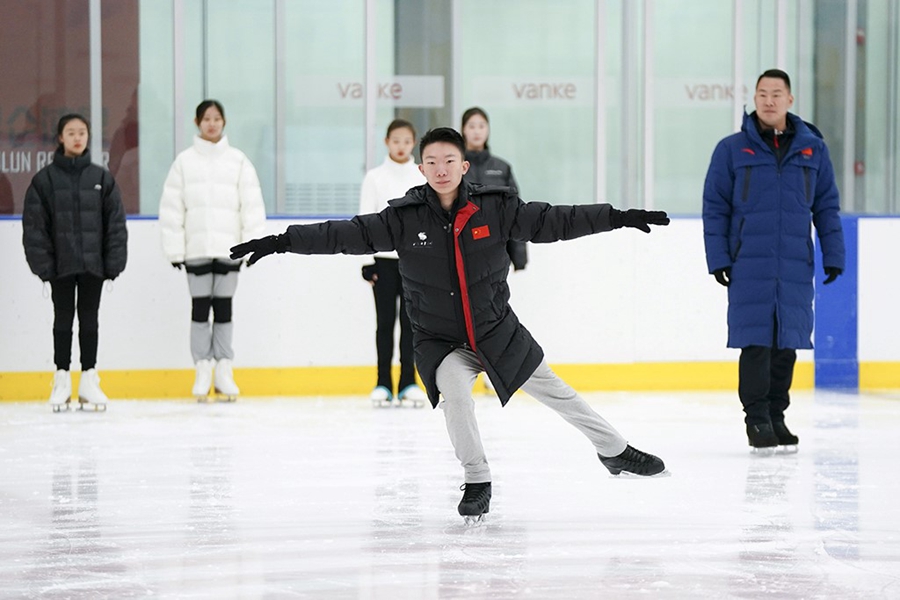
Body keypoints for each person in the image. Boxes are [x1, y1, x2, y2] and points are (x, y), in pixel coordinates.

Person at [231, 127, 670, 523]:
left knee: (559, 392)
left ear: (464, 165)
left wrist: (619, 216)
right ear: (420, 168)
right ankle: (477, 479)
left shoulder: (497, 208)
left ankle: (614, 451)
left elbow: (556, 220)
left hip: (497, 331)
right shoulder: (402, 220)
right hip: (442, 341)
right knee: (456, 396)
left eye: (449, 162)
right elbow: (343, 234)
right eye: (432, 163)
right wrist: (281, 241)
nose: (440, 170)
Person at [702, 69, 845, 454]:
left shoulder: (813, 149)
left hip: (795, 263)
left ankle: (777, 415)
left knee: (788, 345)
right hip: (749, 262)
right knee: (756, 343)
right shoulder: (731, 150)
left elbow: (827, 206)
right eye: (762, 93)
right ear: (755, 98)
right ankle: (757, 419)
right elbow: (715, 208)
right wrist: (718, 258)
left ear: (790, 100)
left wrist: (834, 254)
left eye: (776, 94)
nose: (769, 100)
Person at [159, 100, 266, 401]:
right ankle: (202, 367)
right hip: (196, 251)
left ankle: (224, 368)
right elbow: (172, 208)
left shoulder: (238, 161)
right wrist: (175, 250)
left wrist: (251, 245)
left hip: (228, 250)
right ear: (197, 122)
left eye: (217, 118)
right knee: (199, 310)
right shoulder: (184, 162)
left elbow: (252, 205)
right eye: (206, 118)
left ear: (224, 122)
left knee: (223, 310)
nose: (212, 124)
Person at [22, 113, 128, 412]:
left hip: (93, 265)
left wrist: (113, 262)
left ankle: (89, 380)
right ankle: (61, 379)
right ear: (60, 138)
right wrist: (44, 266)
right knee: (63, 321)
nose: (77, 137)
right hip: (60, 267)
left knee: (90, 320)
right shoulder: (44, 181)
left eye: (82, 132)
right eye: (71, 133)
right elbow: (34, 227)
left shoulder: (101, 178)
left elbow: (115, 224)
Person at [358, 119, 428, 407]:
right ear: (387, 142)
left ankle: (409, 381)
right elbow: (364, 220)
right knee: (384, 324)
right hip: (383, 263)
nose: (401, 146)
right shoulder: (374, 177)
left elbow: (428, 220)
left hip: (414, 262)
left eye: (407, 141)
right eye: (395, 140)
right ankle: (383, 383)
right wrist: (367, 262)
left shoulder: (421, 175)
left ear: (414, 144)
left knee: (412, 325)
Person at [461, 107, 527, 271]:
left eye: (481, 126)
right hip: (462, 248)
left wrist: (519, 255)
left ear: (488, 130)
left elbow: (514, 211)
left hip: (496, 249)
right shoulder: (453, 167)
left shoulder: (501, 168)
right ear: (463, 129)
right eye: (471, 126)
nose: (477, 131)